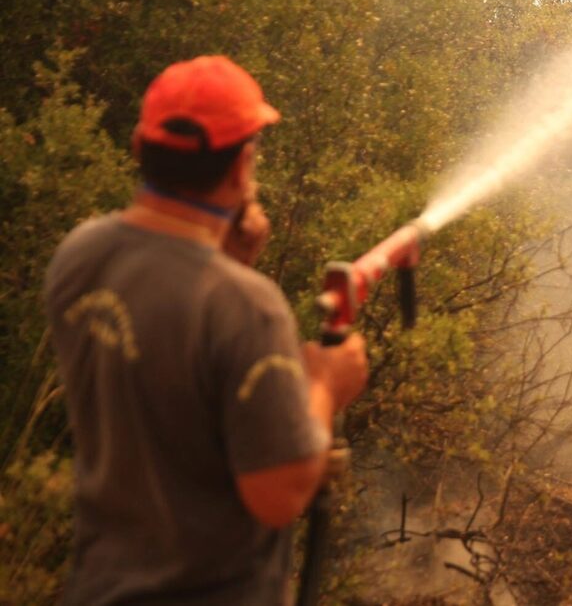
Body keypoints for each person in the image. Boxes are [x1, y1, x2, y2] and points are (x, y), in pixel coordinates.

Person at [42, 56, 369, 605]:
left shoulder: (81, 253)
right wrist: (326, 388)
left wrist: (227, 261)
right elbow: (280, 493)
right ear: (242, 168)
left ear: (139, 148)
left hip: (98, 586)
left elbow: (172, 354)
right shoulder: (245, 307)